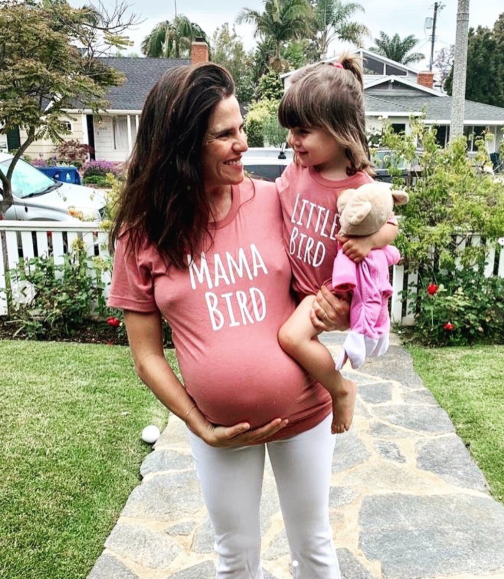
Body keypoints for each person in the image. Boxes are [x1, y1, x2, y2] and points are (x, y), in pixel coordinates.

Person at [108, 62, 349, 579]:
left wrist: (339, 306)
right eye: (225, 134)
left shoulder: (275, 200)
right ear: (181, 146)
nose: (244, 143)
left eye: (241, 128)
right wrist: (199, 427)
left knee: (314, 546)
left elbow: (329, 279)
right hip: (220, 429)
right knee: (235, 556)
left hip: (305, 411)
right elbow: (146, 355)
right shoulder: (141, 232)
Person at [276, 54, 399, 435]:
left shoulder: (359, 186)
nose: (292, 140)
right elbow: (272, 200)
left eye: (303, 131)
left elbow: (391, 225)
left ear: (339, 130)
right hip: (292, 284)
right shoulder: (299, 169)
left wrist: (370, 243)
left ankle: (340, 388)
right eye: (291, 130)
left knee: (290, 337)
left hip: (324, 289)